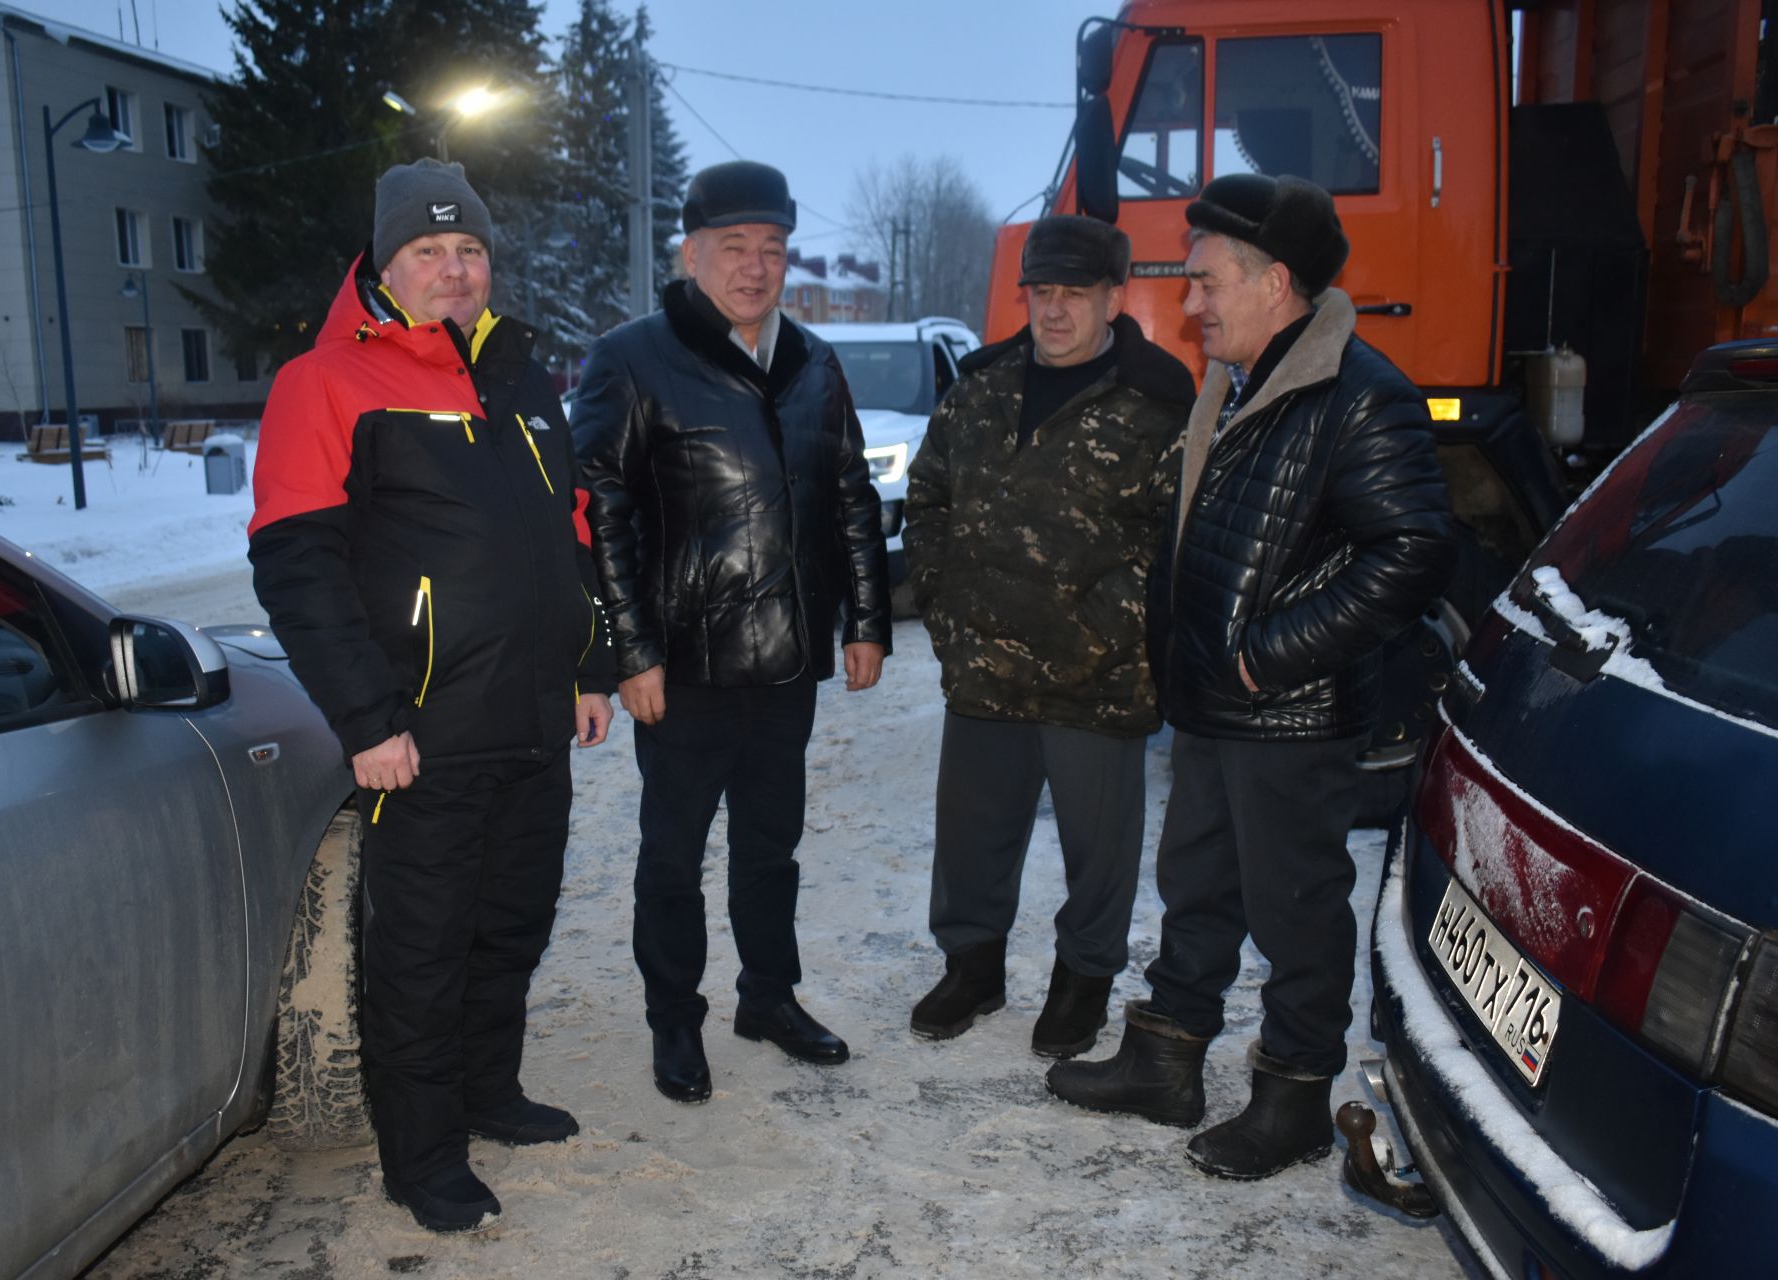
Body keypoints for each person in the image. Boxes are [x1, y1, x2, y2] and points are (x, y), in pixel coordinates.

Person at [1046, 174, 1456, 1180]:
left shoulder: (1361, 395)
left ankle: (1296, 1099)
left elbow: (1412, 551)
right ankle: (1165, 1060)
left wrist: (1266, 652)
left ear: (1276, 282)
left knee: (1297, 907)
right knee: (1197, 884)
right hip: (1214, 703)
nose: (1190, 305)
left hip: (1290, 712)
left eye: (1205, 282)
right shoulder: (1241, 383)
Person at [247, 158, 615, 1233]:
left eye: (470, 251)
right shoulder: (325, 383)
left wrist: (590, 664)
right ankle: (423, 1154)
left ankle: (488, 1090)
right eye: (429, 251)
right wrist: (368, 720)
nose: (454, 270)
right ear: (386, 263)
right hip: (421, 733)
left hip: (534, 719)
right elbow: (296, 565)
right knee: (421, 945)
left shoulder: (519, 370)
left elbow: (571, 532)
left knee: (511, 923)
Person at [570, 159, 890, 1104]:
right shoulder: (634, 358)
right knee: (671, 856)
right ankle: (676, 1020)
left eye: (772, 250)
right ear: (690, 252)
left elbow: (850, 497)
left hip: (786, 660)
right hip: (685, 667)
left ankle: (769, 997)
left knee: (770, 848)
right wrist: (632, 653)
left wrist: (866, 619)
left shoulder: (814, 362)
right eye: (734, 248)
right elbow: (600, 515)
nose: (755, 268)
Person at [903, 215, 1193, 1058]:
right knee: (971, 836)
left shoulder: (1159, 403)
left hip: (1097, 677)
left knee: (1099, 850)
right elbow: (928, 500)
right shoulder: (980, 389)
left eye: (1074, 293)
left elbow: (1181, 539)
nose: (1054, 311)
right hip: (986, 664)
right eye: (1041, 292)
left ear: (1113, 297)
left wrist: (1131, 634)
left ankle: (1083, 981)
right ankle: (973, 966)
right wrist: (949, 614)